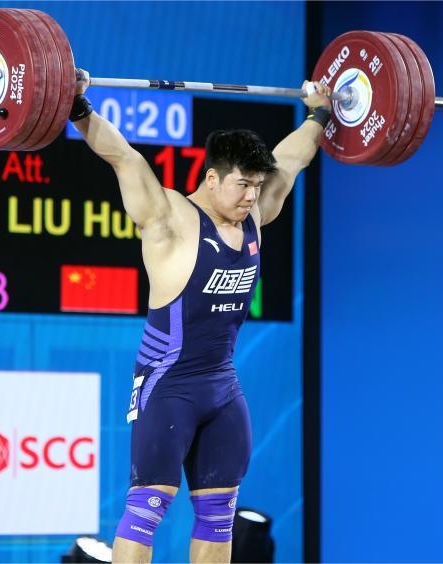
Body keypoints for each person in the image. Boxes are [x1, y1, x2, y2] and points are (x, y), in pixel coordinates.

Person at [70, 70, 331, 563]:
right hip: (167, 387)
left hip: (222, 388)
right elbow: (123, 157)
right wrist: (77, 107)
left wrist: (320, 112)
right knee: (146, 509)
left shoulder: (253, 216)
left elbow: (293, 159)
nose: (252, 195)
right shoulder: (169, 219)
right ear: (211, 177)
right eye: (242, 185)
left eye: (256, 185)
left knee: (218, 517)